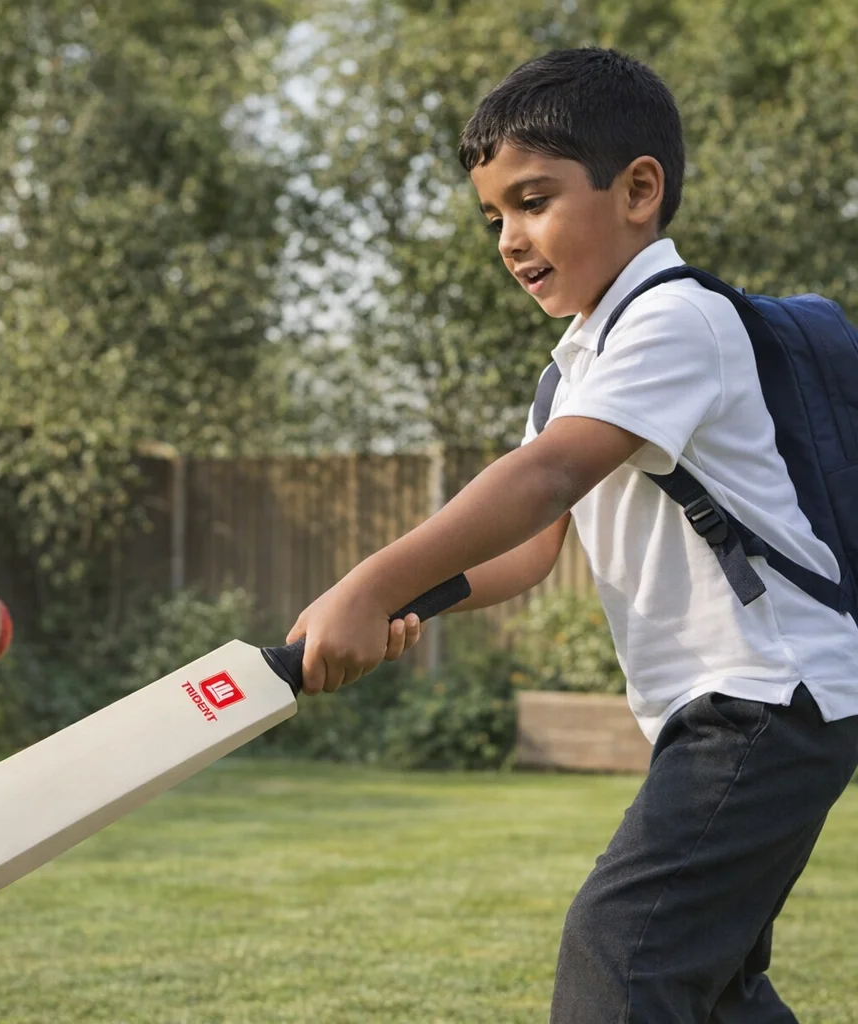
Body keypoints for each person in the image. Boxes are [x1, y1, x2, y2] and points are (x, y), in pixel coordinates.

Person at [286, 46, 858, 1022]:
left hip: (771, 693)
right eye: (493, 215)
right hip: (728, 704)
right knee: (709, 990)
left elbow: (547, 474)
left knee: (620, 954)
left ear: (638, 189)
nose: (509, 237)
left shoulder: (677, 320)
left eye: (534, 199)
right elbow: (533, 543)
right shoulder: (575, 364)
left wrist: (370, 581)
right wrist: (415, 603)